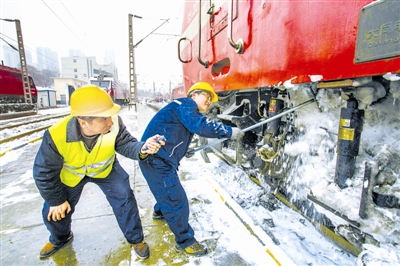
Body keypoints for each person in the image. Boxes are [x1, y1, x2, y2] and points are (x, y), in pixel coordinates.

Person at [33, 84, 164, 260]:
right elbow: (43, 172)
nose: (110, 121)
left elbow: (126, 144)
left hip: (106, 170)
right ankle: (60, 238)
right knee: (54, 211)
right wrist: (56, 200)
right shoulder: (56, 135)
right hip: (72, 176)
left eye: (110, 116)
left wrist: (143, 148)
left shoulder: (114, 123)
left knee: (125, 198)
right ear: (83, 122)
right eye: (104, 119)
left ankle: (136, 239)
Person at [138, 81, 243, 256]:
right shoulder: (186, 104)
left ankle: (160, 211)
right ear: (194, 95)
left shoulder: (181, 108)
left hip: (159, 159)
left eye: (211, 100)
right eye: (207, 97)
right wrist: (229, 131)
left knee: (167, 193)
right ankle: (185, 241)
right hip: (157, 161)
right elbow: (200, 126)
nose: (209, 102)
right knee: (177, 201)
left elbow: (177, 132)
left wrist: (184, 149)